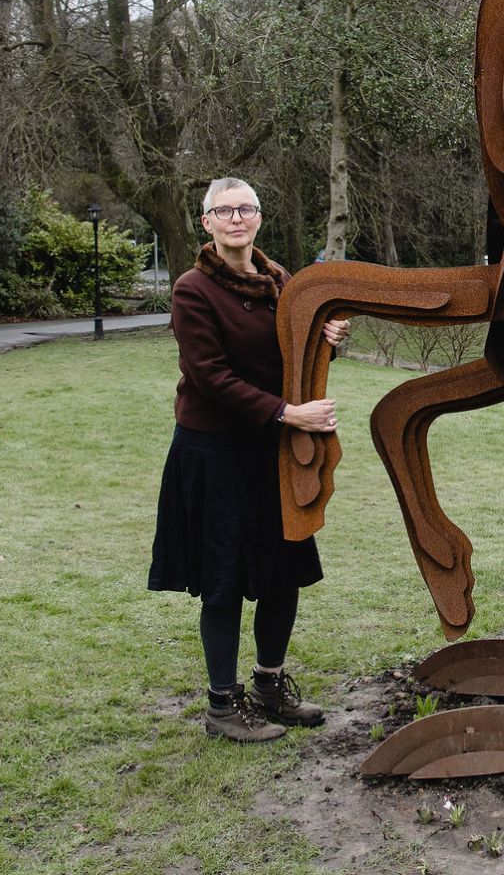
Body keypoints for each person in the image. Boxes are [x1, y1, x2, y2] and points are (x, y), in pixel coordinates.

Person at [148, 177, 350, 742]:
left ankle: (269, 684)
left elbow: (293, 346)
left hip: (273, 454)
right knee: (224, 579)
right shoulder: (193, 289)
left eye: (246, 209)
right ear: (207, 222)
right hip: (215, 454)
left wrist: (327, 336)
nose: (237, 218)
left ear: (259, 218)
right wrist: (290, 413)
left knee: (283, 570)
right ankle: (221, 705)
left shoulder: (281, 280)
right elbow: (209, 378)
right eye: (224, 210)